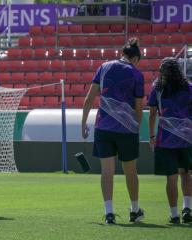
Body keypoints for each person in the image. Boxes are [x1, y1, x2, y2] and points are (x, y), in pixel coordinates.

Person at [81, 38, 145, 224]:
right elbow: (139, 106)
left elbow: (89, 97)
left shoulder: (104, 67)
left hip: (103, 128)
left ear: (122, 54)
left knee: (107, 171)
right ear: (135, 59)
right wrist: (137, 126)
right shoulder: (137, 74)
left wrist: (83, 123)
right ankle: (134, 211)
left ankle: (109, 213)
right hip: (127, 130)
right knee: (130, 171)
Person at [148, 57, 192, 224]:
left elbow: (152, 113)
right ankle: (187, 208)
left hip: (165, 140)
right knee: (187, 174)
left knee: (171, 177)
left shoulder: (157, 89)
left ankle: (174, 215)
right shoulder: (189, 88)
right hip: (187, 139)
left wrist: (151, 136)